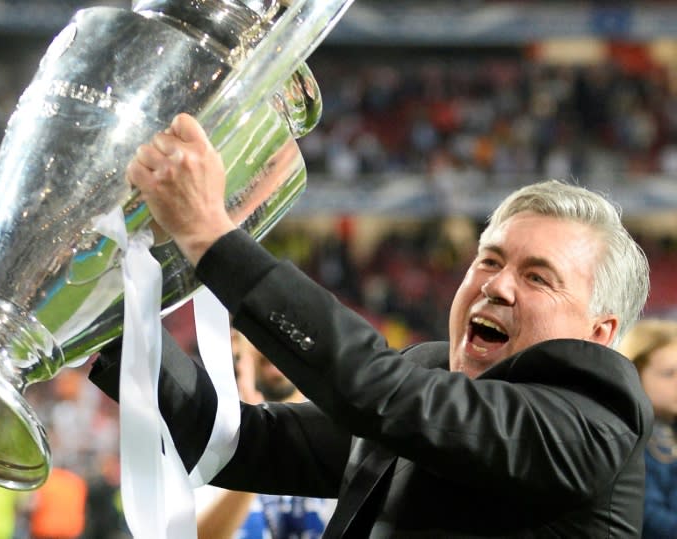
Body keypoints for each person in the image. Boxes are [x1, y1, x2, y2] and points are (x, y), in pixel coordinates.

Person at [88, 113, 653, 537]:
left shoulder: (598, 418)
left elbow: (380, 391)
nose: (497, 285)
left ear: (598, 334)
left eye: (538, 277)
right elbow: (239, 443)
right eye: (490, 259)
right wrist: (112, 316)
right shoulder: (425, 373)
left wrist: (212, 238)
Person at [195, 332, 335, 538]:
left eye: (290, 328)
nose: (277, 339)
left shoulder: (339, 428)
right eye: (258, 324)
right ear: (234, 341)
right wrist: (256, 441)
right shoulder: (205, 428)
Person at [618, 319, 677, 539]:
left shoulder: (669, 428)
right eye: (669, 374)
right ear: (636, 374)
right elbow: (645, 514)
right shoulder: (632, 438)